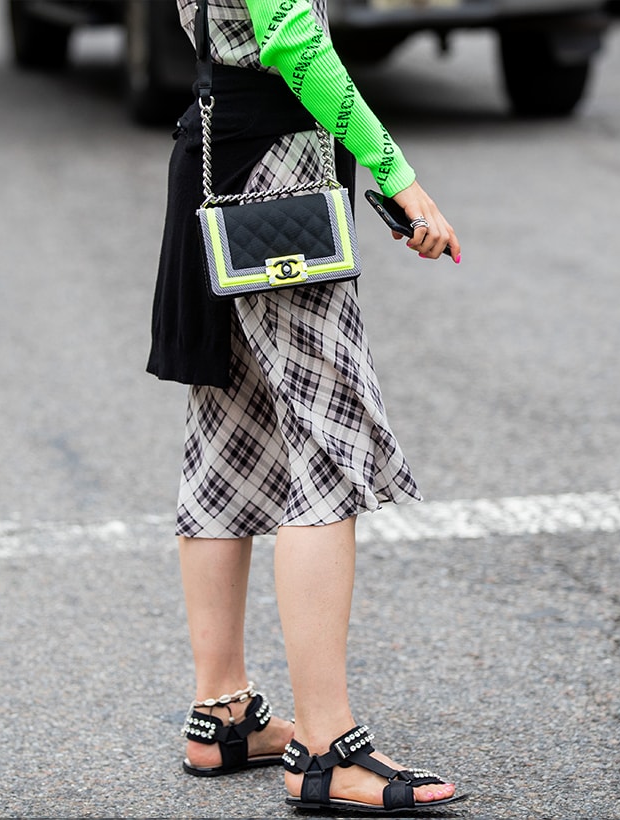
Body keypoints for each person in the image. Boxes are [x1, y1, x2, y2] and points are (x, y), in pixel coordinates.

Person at [146, 0, 463, 812]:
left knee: (229, 438)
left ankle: (222, 712)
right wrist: (395, 171)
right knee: (325, 445)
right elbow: (292, 39)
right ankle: (325, 748)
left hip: (216, 153)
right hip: (276, 177)